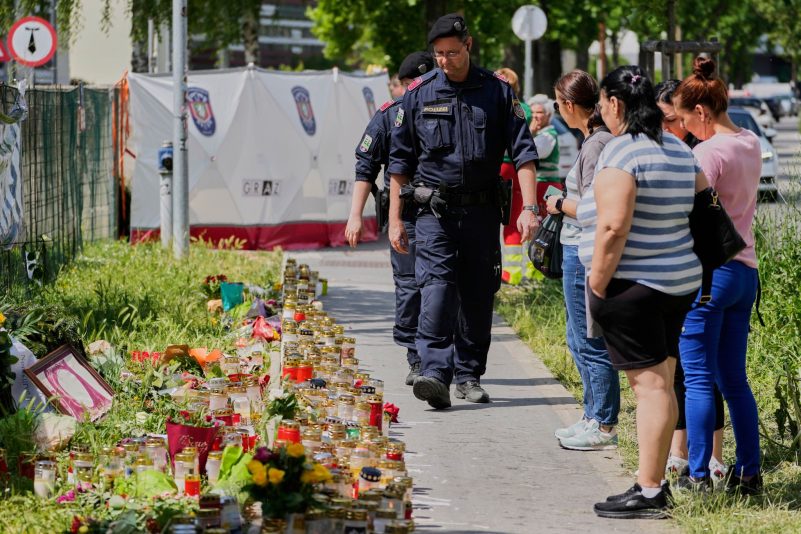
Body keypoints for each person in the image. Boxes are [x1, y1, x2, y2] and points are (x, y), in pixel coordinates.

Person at [388, 13, 539, 409]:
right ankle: (435, 372)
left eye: (452, 53)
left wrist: (531, 208)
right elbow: (399, 163)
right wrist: (393, 221)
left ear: (468, 46)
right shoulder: (418, 93)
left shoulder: (498, 92)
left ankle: (468, 373)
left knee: (477, 293)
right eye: (438, 54)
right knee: (436, 289)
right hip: (432, 213)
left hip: (481, 213)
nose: (444, 61)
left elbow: (524, 153)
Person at [580, 65, 705, 519]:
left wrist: (597, 282)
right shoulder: (679, 149)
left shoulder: (622, 152)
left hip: (634, 286)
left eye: (602, 104)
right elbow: (703, 208)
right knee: (665, 380)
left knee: (650, 388)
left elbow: (613, 227)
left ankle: (650, 490)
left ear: (614, 104)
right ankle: (654, 480)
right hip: (679, 283)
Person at [672, 57, 763, 494]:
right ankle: (750, 473)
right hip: (746, 274)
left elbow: (685, 213)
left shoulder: (707, 152)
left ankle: (698, 476)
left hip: (710, 276)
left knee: (697, 379)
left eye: (687, 119)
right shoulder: (749, 142)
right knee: (735, 379)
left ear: (702, 112)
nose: (687, 128)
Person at [345, 51, 435, 386]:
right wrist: (356, 215)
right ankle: (416, 357)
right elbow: (365, 166)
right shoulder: (390, 116)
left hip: (443, 215)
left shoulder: (447, 111)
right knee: (411, 288)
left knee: (441, 288)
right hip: (406, 217)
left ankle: (441, 358)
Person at [654, 79, 727, 480]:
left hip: (703, 274)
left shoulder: (700, 156)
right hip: (680, 271)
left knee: (704, 370)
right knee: (681, 370)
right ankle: (681, 450)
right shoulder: (674, 152)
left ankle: (712, 457)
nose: (668, 126)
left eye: (672, 118)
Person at [546, 70, 619, 451]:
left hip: (584, 251)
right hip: (577, 249)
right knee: (577, 338)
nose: (558, 110)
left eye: (558, 104)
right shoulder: (590, 140)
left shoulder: (595, 145)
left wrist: (558, 204)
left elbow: (596, 207)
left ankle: (604, 424)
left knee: (591, 341)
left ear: (569, 105)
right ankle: (592, 415)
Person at [496, 68, 533, 286]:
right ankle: (513, 274)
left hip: (501, 167)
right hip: (515, 169)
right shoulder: (523, 109)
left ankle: (509, 274)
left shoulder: (492, 105)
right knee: (513, 221)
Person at [527, 94, 562, 218]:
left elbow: (529, 152)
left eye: (539, 112)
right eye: (532, 112)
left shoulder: (549, 135)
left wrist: (529, 133)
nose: (535, 116)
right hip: (541, 185)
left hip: (547, 186)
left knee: (546, 226)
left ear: (548, 114)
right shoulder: (540, 134)